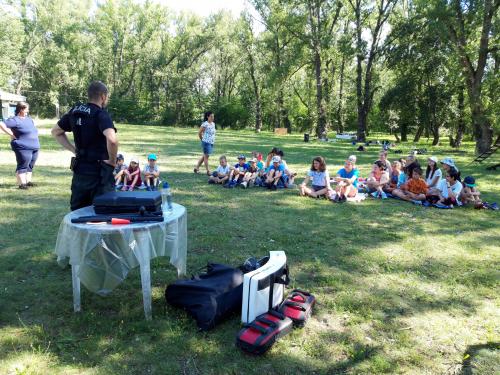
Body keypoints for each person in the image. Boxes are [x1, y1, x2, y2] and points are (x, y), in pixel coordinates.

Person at [52, 81, 118, 210]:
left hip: (80, 171)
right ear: (103, 96)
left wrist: (74, 150)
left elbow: (56, 131)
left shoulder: (75, 112)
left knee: (78, 212)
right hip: (99, 173)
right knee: (103, 212)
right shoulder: (101, 114)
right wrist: (112, 161)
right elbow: (112, 140)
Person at [0, 101, 40, 189]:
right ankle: (22, 184)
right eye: (26, 109)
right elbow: (1, 124)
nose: (28, 111)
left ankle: (28, 181)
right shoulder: (14, 120)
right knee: (23, 164)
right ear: (21, 109)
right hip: (22, 146)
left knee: (30, 165)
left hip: (34, 146)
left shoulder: (28, 119)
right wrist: (11, 134)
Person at [194, 111, 216, 176]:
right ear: (207, 117)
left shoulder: (213, 124)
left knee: (204, 156)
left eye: (213, 116)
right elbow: (199, 133)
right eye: (211, 116)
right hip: (206, 142)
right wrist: (202, 139)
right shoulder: (205, 124)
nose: (212, 118)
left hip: (211, 142)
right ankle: (208, 171)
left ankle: (196, 167)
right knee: (206, 157)